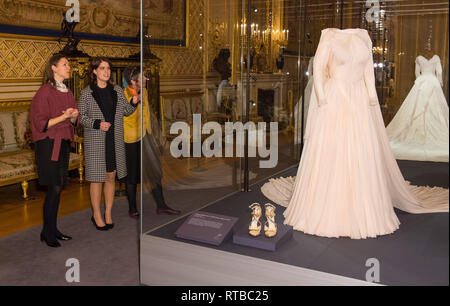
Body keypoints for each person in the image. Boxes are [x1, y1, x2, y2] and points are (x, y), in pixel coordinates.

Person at [261, 28, 448, 239]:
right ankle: (329, 204)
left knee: (359, 149)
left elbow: (368, 71)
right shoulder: (329, 36)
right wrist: (322, 98)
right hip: (334, 99)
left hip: (358, 100)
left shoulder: (363, 38)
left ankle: (360, 205)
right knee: (334, 148)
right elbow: (319, 69)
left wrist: (371, 97)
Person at [78, 57, 139, 230]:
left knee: (111, 176)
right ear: (95, 72)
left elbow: (126, 111)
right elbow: (80, 117)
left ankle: (108, 213)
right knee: (97, 179)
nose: (106, 71)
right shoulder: (86, 93)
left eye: (108, 68)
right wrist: (97, 123)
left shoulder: (117, 90)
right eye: (102, 68)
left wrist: (134, 102)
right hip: (96, 140)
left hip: (114, 139)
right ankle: (96, 214)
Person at [30, 54, 78, 247]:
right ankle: (48, 233)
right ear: (54, 68)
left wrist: (73, 117)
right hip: (48, 145)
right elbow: (40, 123)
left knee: (57, 189)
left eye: (69, 64)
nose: (69, 67)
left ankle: (51, 229)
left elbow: (74, 120)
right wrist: (64, 117)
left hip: (63, 143)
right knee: (54, 188)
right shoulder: (44, 92)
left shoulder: (67, 91)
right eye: (65, 64)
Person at [122, 66, 180, 217]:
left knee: (155, 170)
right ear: (133, 80)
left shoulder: (145, 92)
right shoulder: (124, 95)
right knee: (132, 175)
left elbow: (147, 115)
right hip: (130, 139)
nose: (146, 79)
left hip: (145, 136)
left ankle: (161, 205)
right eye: (143, 77)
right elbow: (124, 115)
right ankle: (132, 208)